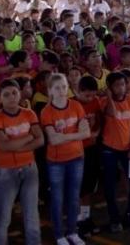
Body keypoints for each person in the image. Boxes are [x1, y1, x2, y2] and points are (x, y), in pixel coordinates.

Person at [0, 79, 44, 245]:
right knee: (3, 216)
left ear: (20, 94)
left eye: (14, 93)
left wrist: (16, 146)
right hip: (6, 171)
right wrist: (28, 137)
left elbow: (40, 139)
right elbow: (3, 145)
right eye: (6, 95)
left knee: (32, 214)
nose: (12, 97)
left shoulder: (29, 114)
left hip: (29, 168)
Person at [40, 73, 90, 244]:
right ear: (50, 91)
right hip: (56, 161)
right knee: (57, 198)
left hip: (76, 157)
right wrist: (76, 135)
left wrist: (65, 136)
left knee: (74, 196)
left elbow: (87, 132)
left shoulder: (76, 106)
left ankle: (72, 231)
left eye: (63, 87)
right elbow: (53, 139)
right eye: (57, 88)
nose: (61, 91)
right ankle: (59, 234)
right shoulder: (47, 112)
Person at [100, 71, 130, 230]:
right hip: (109, 149)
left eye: (123, 84)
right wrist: (109, 97)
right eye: (117, 85)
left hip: (127, 149)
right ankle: (114, 218)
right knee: (110, 184)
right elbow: (111, 113)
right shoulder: (105, 102)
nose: (122, 88)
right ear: (110, 88)